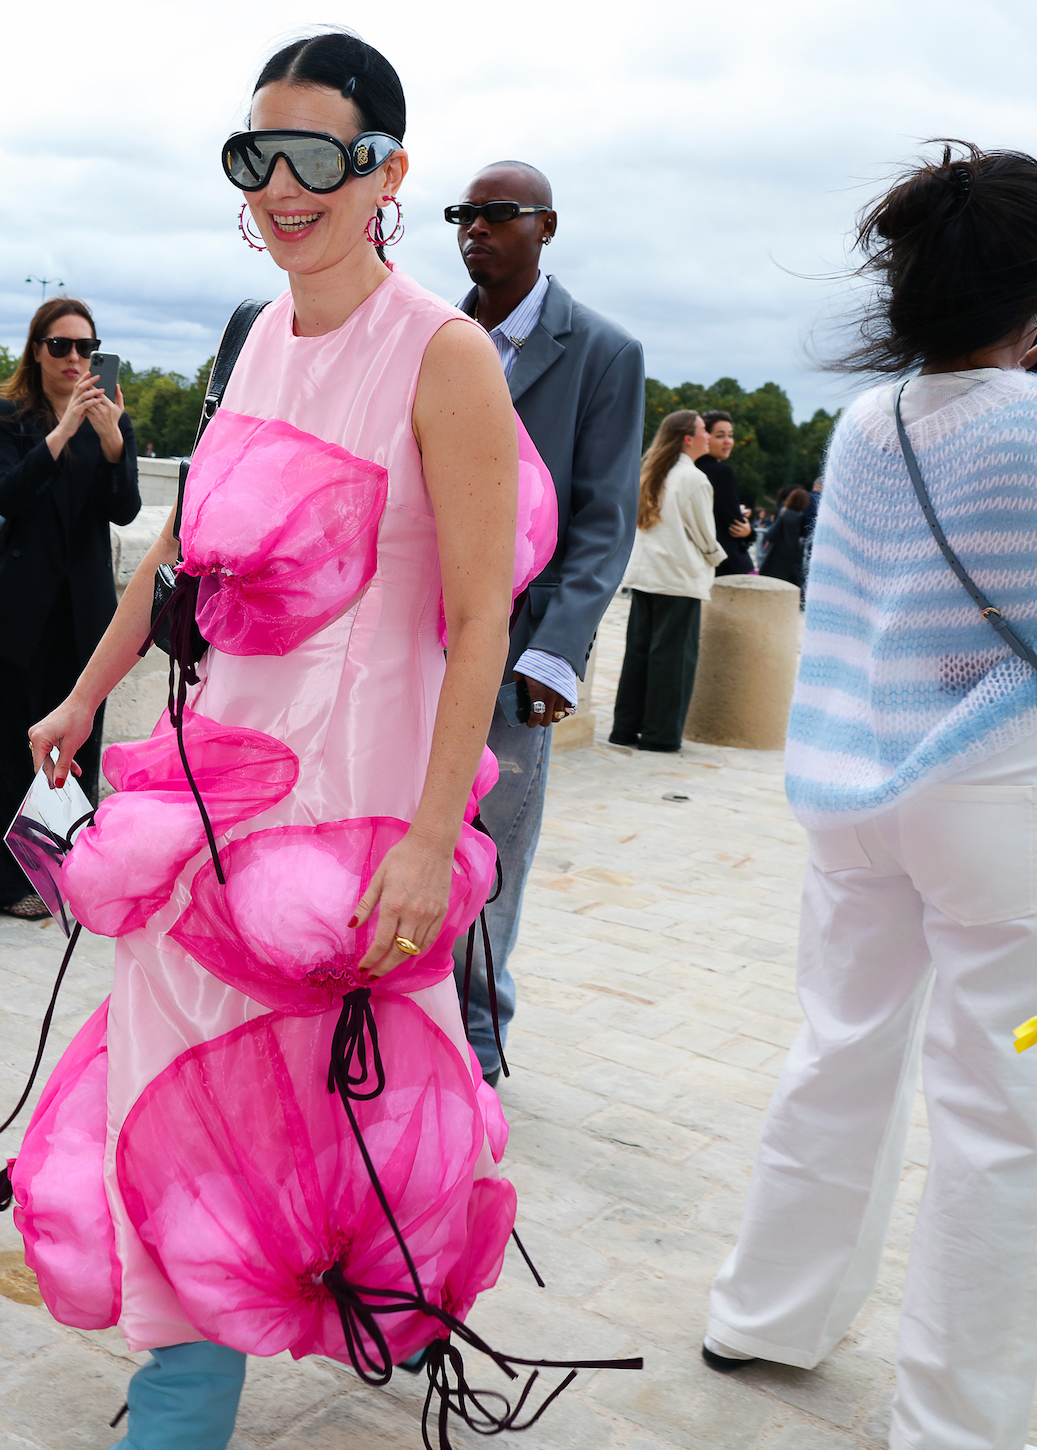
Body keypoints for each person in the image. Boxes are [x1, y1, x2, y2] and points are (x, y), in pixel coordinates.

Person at [22, 33, 533, 1445]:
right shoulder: (256, 336)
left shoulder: (447, 354)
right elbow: (177, 555)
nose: (282, 187)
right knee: (178, 1072)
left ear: (388, 172)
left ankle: (369, 1301)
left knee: (347, 1097)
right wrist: (82, 694)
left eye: (316, 154)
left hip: (356, 804)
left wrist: (432, 847)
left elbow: (481, 620)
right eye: (257, 158)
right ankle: (182, 1383)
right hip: (214, 783)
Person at [702, 142, 1037, 1450]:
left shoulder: (867, 419)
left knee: (838, 1048)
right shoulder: (1026, 425)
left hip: (854, 786)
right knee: (1003, 1102)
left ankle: (764, 1310)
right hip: (1000, 799)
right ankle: (961, 1418)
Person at [448, 159, 644, 1084]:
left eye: (497, 214)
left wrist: (556, 653)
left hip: (517, 651)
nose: (475, 229)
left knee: (493, 851)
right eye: (463, 214)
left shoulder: (605, 353)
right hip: (413, 638)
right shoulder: (428, 336)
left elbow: (604, 525)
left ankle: (479, 1041)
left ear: (547, 226)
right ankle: (397, 1029)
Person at [0, 298, 139, 917]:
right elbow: (6, 494)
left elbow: (125, 511)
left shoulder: (112, 419)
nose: (74, 359)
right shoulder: (11, 416)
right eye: (60, 346)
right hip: (14, 610)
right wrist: (62, 434)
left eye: (85, 347)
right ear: (37, 350)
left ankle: (61, 874)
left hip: (83, 612)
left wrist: (113, 443)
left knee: (71, 752)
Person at [609, 411, 724, 751]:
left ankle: (625, 729)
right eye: (704, 430)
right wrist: (717, 558)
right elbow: (704, 534)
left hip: (647, 575)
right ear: (688, 438)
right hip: (678, 577)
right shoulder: (695, 479)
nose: (708, 436)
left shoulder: (651, 471)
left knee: (639, 655)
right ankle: (661, 735)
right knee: (673, 660)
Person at [698, 409, 755, 575]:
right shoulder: (722, 472)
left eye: (730, 435)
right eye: (720, 436)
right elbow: (735, 524)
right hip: (725, 561)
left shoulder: (687, 468)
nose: (728, 441)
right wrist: (750, 533)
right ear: (705, 436)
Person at [756, 487, 810, 589]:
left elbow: (771, 533)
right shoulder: (802, 517)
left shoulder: (784, 513)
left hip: (777, 552)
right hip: (794, 555)